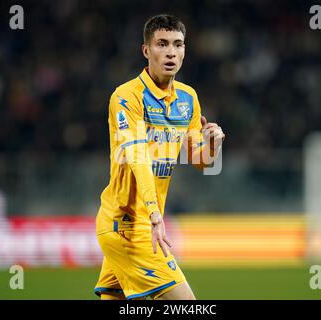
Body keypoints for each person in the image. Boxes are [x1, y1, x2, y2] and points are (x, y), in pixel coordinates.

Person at [94, 14, 225, 300]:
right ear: (146, 50)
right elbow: (138, 157)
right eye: (162, 44)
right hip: (127, 224)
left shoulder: (188, 98)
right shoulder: (127, 96)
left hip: (141, 225)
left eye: (177, 44)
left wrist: (213, 145)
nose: (170, 52)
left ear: (184, 51)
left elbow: (200, 161)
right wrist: (154, 214)